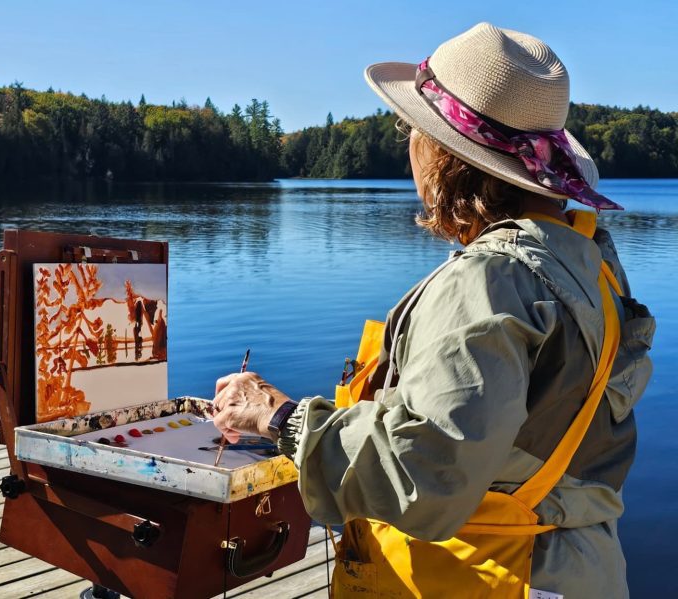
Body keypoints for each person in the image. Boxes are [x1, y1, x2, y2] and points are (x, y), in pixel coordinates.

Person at [212, 23, 655, 598]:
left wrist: (280, 417)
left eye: (413, 132)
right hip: (577, 568)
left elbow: (424, 472)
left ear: (444, 155)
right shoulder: (587, 260)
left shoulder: (489, 281)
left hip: (495, 578)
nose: (409, 151)